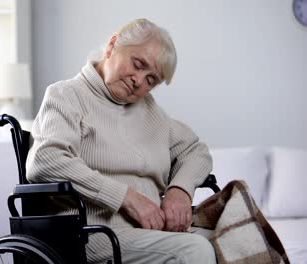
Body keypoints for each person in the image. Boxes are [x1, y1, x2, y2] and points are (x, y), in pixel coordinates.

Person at [26, 18, 216, 263]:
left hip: (148, 232)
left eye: (151, 80)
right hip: (90, 234)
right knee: (195, 251)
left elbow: (195, 150)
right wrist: (125, 198)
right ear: (112, 45)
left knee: (237, 238)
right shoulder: (66, 96)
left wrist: (180, 190)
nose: (139, 80)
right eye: (138, 64)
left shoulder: (150, 111)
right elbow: (45, 160)